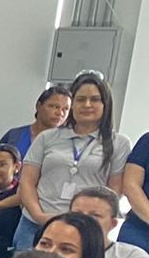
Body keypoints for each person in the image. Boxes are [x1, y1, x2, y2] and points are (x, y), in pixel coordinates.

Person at [18, 72, 127, 248]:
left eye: (95, 99)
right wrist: (39, 216)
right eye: (80, 99)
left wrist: (90, 221)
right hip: (36, 225)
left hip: (85, 230)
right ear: (72, 104)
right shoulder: (47, 137)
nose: (87, 105)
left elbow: (115, 191)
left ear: (106, 104)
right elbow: (27, 182)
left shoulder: (119, 143)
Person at [1, 83, 70, 164]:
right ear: (38, 106)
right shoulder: (15, 135)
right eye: (54, 106)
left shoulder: (68, 141)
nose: (60, 113)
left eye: (65, 109)